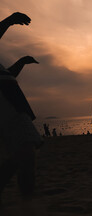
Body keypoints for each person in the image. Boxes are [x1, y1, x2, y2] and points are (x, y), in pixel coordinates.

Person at [0, 12, 42, 202]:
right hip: (6, 102)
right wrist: (9, 21)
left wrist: (21, 62)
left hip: (11, 100)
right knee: (25, 152)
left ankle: (28, 206)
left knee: (24, 154)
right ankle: (28, 209)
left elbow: (7, 75)